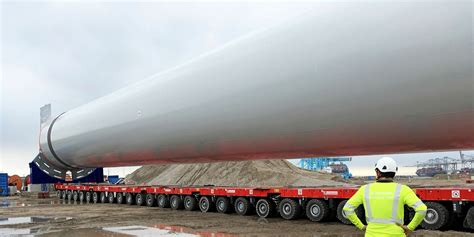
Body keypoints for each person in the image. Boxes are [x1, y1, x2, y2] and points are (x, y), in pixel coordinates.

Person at [343, 157, 427, 236]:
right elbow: (422, 209)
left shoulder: (365, 189)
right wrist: (410, 227)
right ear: (394, 172)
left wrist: (362, 226)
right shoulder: (403, 189)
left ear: (378, 172)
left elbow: (347, 209)